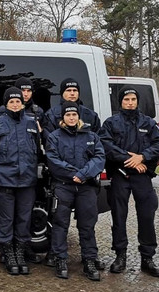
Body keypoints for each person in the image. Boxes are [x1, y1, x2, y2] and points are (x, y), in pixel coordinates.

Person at [99, 86, 159, 278]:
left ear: (137, 101)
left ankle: (147, 258)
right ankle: (120, 256)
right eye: (126, 100)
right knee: (119, 217)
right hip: (120, 176)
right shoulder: (111, 123)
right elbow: (105, 145)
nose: (130, 103)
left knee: (147, 216)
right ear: (120, 102)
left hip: (142, 176)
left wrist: (143, 156)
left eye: (133, 99)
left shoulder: (148, 122)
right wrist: (128, 159)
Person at [42, 78, 103, 269]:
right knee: (60, 223)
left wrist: (83, 175)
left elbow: (99, 156)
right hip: (63, 184)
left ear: (78, 116)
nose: (71, 117)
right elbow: (53, 158)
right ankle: (59, 258)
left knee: (87, 225)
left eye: (74, 114)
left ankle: (90, 259)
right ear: (62, 117)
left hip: (86, 185)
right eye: (68, 115)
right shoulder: (54, 134)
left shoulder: (90, 134)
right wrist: (74, 174)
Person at [0, 87, 40, 276]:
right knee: (6, 219)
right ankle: (8, 252)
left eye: (18, 101)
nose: (15, 104)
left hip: (27, 180)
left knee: (24, 219)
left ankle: (20, 251)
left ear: (23, 103)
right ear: (6, 103)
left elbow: (38, 149)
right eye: (11, 101)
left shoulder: (32, 123)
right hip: (4, 180)